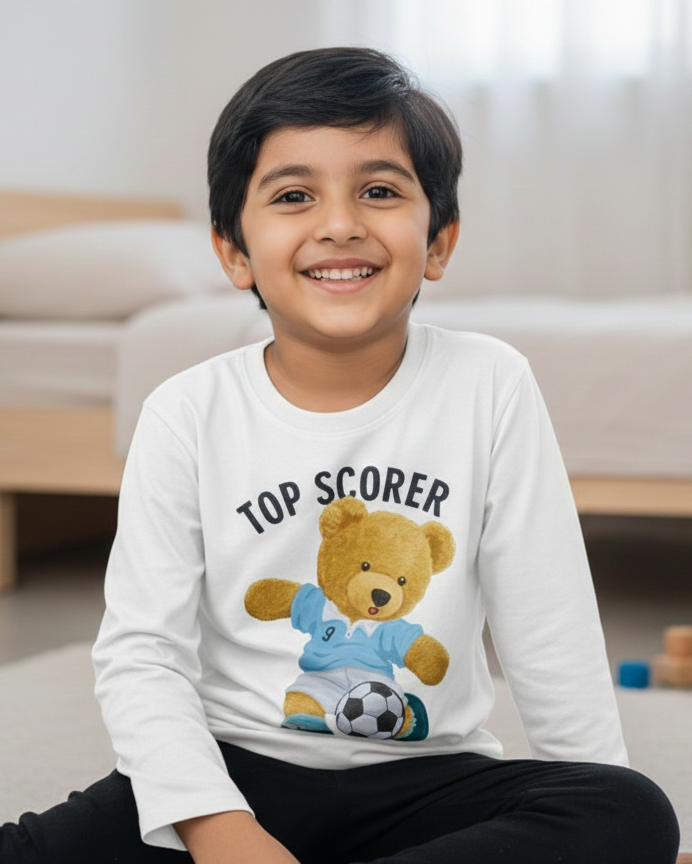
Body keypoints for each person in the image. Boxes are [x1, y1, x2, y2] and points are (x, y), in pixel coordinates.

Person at [0, 47, 680, 864]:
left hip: (426, 778)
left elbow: (550, 623)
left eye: (380, 191)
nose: (339, 223)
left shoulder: (490, 383)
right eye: (293, 196)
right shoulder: (185, 411)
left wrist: (600, 831)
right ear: (233, 252)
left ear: (439, 241)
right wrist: (222, 832)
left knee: (628, 809)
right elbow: (142, 653)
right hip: (231, 778)